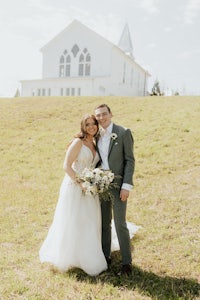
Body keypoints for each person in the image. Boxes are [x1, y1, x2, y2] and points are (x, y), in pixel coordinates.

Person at [39, 114, 107, 276]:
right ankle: (71, 254)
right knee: (74, 219)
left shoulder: (96, 143)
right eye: (87, 124)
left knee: (90, 219)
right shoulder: (78, 142)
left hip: (90, 187)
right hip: (75, 186)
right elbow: (66, 166)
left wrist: (93, 181)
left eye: (94, 124)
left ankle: (89, 251)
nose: (91, 127)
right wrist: (81, 183)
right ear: (83, 127)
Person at [94, 104, 135, 276]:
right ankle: (105, 256)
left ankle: (127, 263)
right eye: (98, 116)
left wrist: (126, 186)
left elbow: (130, 160)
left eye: (104, 114)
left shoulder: (123, 132)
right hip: (102, 185)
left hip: (119, 186)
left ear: (111, 114)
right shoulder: (95, 136)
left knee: (120, 223)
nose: (102, 118)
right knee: (104, 223)